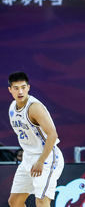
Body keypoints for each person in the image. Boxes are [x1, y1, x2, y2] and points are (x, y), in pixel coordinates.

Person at [7, 71, 64, 207]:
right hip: (28, 158)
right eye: (16, 88)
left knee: (41, 202)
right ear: (10, 90)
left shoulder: (34, 108)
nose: (20, 91)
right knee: (14, 202)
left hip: (47, 157)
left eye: (23, 87)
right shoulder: (12, 108)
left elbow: (53, 135)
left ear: (28, 87)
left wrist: (40, 160)